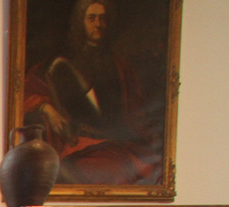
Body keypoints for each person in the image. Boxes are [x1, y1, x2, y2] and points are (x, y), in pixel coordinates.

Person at [21, 0, 162, 186]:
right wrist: (47, 108)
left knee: (153, 169)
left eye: (103, 19)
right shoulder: (62, 62)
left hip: (118, 142)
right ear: (81, 22)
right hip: (80, 145)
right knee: (113, 172)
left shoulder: (119, 65)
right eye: (92, 18)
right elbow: (25, 90)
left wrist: (149, 135)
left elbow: (137, 110)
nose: (98, 24)